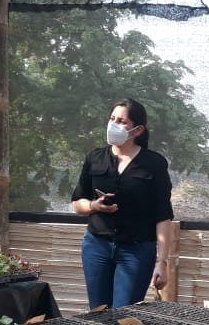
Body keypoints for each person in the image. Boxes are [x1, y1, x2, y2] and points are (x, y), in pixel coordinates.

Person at [71, 98, 174, 309]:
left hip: (136, 250)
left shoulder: (153, 163)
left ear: (137, 130)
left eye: (122, 121)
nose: (114, 124)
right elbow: (77, 202)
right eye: (112, 119)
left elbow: (163, 215)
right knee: (98, 313)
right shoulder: (95, 158)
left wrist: (162, 262)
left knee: (124, 314)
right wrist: (93, 206)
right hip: (96, 245)